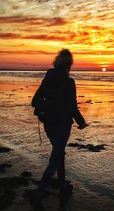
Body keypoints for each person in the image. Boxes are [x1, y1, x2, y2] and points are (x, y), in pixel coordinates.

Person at [31, 49, 88, 197]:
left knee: (59, 152)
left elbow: (35, 101)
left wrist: (47, 108)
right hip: (62, 124)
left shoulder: (47, 79)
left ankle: (62, 184)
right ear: (69, 65)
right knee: (56, 156)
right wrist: (81, 122)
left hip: (48, 123)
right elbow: (72, 106)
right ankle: (41, 189)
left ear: (56, 62)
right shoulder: (69, 82)